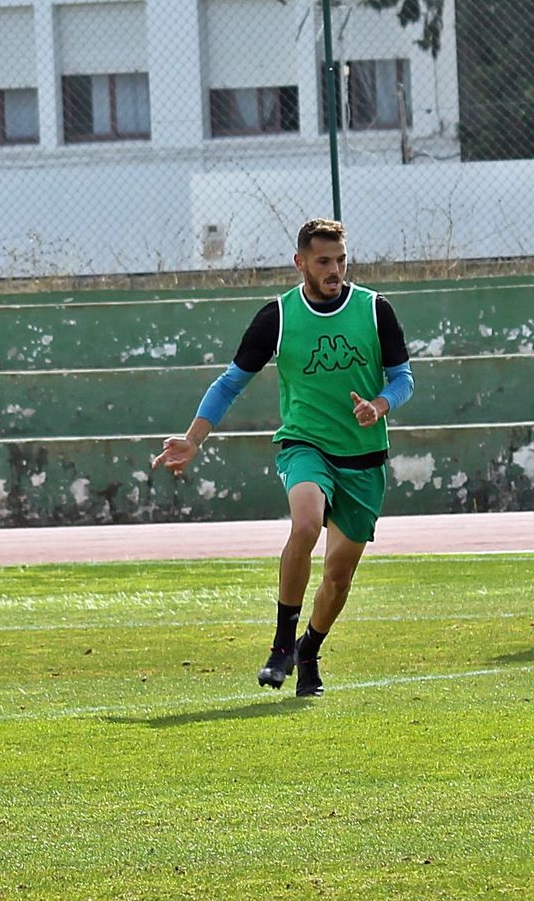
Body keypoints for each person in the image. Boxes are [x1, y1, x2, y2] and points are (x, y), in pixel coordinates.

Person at [152, 219, 414, 698]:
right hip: (304, 444)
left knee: (337, 577)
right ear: (300, 263)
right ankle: (280, 642)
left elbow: (403, 379)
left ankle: (308, 648)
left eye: (340, 260)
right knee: (306, 524)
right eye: (323, 262)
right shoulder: (278, 316)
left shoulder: (376, 310)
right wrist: (193, 440)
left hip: (364, 457)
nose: (334, 270)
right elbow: (230, 382)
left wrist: (379, 405)